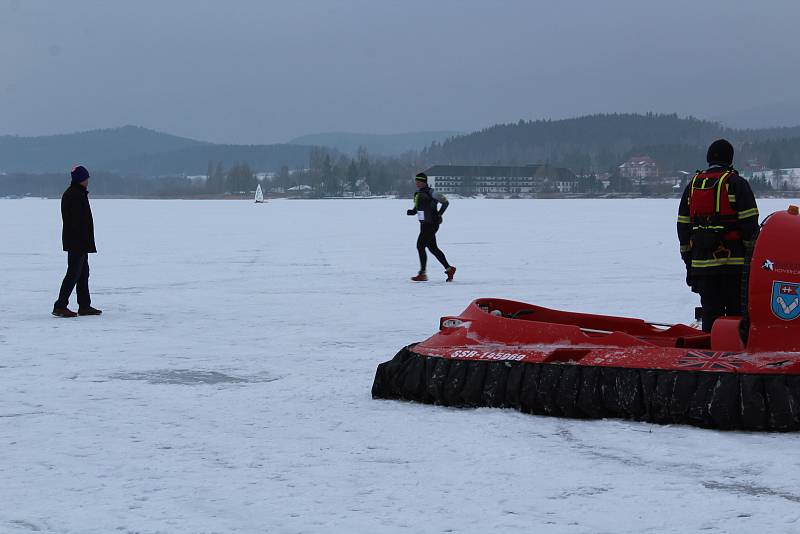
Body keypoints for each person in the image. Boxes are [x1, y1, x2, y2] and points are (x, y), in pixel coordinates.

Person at [677, 139, 759, 332]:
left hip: (702, 267)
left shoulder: (693, 186)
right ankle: (735, 356)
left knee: (710, 315)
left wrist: (689, 261)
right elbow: (750, 226)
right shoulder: (737, 184)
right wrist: (750, 257)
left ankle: (708, 351)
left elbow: (683, 226)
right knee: (735, 316)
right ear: (730, 159)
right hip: (734, 266)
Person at [53, 165, 102, 317]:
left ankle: (84, 305)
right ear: (81, 179)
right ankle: (60, 305)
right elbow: (75, 221)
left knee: (83, 273)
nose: (88, 181)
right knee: (73, 273)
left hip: (80, 241)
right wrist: (82, 241)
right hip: (77, 242)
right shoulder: (74, 195)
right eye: (86, 178)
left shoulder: (77, 193)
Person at [406, 172, 456, 282]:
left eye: (419, 182)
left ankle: (422, 274)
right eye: (416, 182)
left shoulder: (432, 192)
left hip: (432, 224)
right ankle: (449, 269)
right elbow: (418, 208)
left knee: (420, 245)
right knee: (433, 248)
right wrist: (412, 212)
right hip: (424, 224)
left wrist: (439, 214)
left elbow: (445, 202)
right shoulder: (417, 194)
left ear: (424, 182)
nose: (417, 184)